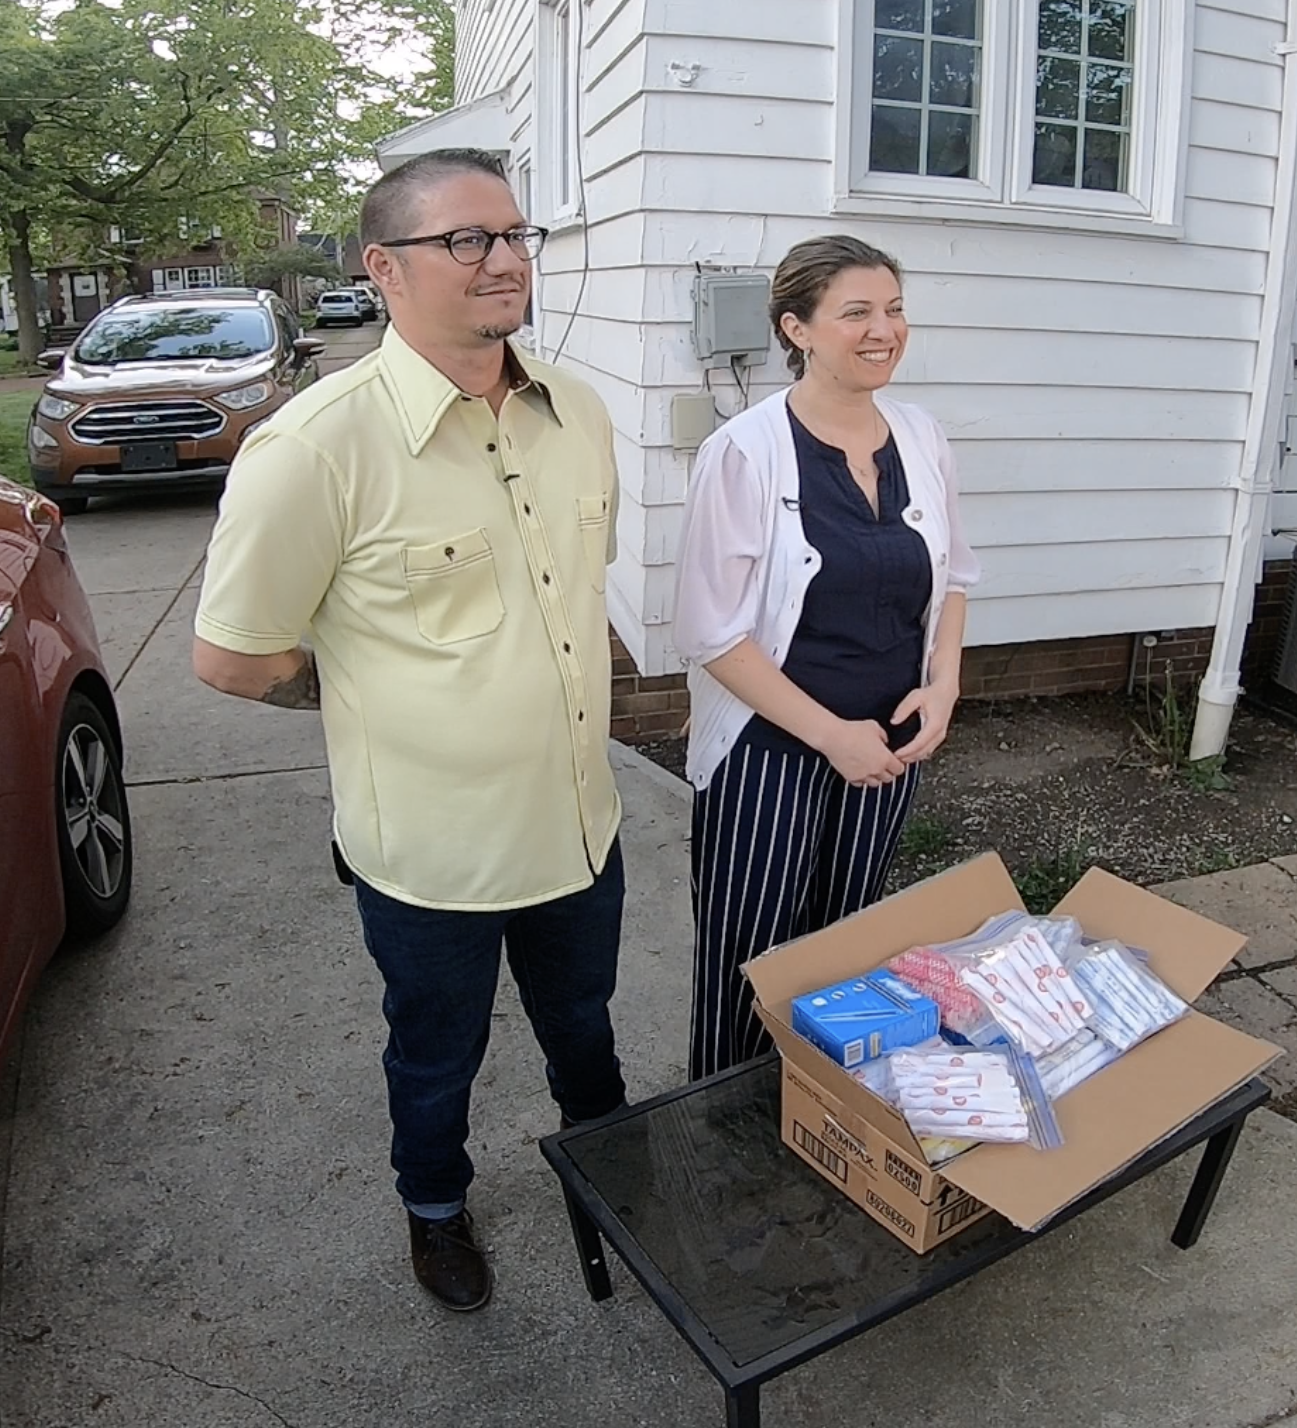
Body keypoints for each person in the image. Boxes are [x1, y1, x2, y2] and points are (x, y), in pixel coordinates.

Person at [191, 148, 625, 1313]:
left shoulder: (576, 412)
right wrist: (372, 689)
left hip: (582, 823)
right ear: (383, 267)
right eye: (467, 240)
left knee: (583, 1025)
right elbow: (233, 654)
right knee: (436, 1053)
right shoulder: (315, 444)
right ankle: (434, 1207)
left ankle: (613, 1167)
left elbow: (574, 592)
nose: (505, 259)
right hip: (432, 852)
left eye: (515, 234)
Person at [673, 235, 980, 1081]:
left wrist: (944, 686)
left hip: (888, 746)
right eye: (856, 313)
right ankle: (723, 1119)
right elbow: (711, 636)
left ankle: (818, 1111)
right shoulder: (745, 452)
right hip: (771, 752)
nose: (883, 330)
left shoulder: (921, 438)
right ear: (797, 329)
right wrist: (830, 736)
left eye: (894, 309)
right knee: (753, 956)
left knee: (847, 945)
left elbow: (955, 575)